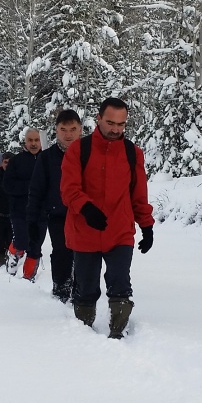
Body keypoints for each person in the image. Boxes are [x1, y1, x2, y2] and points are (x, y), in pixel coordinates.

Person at [60, 97, 154, 339]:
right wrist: (87, 208)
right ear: (98, 118)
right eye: (110, 122)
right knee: (86, 288)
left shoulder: (133, 153)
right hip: (84, 231)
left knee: (120, 284)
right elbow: (69, 189)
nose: (115, 129)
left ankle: (117, 333)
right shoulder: (78, 150)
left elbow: (139, 194)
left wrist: (146, 225)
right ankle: (84, 335)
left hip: (119, 231)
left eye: (121, 125)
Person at [28, 109, 83, 301]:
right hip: (58, 214)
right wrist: (33, 218)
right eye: (63, 129)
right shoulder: (47, 157)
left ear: (80, 130)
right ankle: (61, 289)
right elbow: (36, 189)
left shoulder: (89, 154)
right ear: (56, 131)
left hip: (85, 214)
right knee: (61, 252)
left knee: (84, 254)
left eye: (73, 129)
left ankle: (81, 290)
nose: (68, 134)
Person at [3, 128, 45, 280]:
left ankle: (28, 279)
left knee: (35, 247)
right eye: (30, 140)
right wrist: (31, 187)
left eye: (36, 140)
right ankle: (13, 257)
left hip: (41, 212)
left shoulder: (47, 159)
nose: (33, 144)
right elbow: (7, 185)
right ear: (25, 142)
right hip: (20, 211)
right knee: (21, 242)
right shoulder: (16, 161)